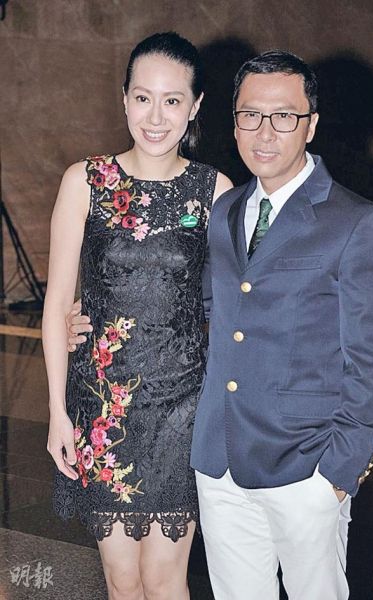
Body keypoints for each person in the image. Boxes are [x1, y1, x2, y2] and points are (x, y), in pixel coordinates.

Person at [189, 50, 373, 599]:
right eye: (250, 115)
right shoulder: (225, 211)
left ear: (311, 124)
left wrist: (338, 474)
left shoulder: (357, 222)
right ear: (234, 121)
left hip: (306, 466)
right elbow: (210, 312)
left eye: (283, 116)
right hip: (220, 460)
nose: (264, 132)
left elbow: (372, 359)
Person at [42, 32, 231, 600]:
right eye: (143, 98)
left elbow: (236, 301)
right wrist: (57, 413)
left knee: (163, 579)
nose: (155, 116)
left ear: (195, 107)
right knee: (121, 581)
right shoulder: (85, 181)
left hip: (182, 404)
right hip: (103, 404)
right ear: (124, 98)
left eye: (173, 101)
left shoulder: (214, 190)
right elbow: (57, 303)